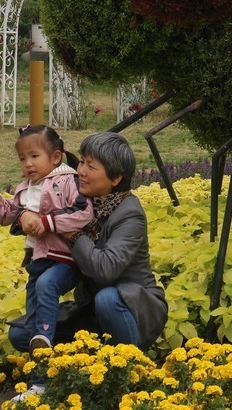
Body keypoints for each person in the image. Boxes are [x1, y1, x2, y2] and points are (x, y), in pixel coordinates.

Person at [0, 125, 92, 375]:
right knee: (33, 317)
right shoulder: (25, 188)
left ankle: (45, 339)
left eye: (34, 156)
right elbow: (8, 215)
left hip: (65, 259)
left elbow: (83, 212)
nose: (28, 164)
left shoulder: (67, 181)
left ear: (55, 157)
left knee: (47, 286)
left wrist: (47, 222)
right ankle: (41, 379)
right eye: (22, 158)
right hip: (38, 261)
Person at [54, 132, 168, 351]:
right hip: (90, 308)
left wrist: (74, 234)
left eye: (91, 166)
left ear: (115, 178)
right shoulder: (82, 204)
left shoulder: (129, 214)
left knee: (107, 299)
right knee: (24, 332)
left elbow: (106, 268)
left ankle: (128, 362)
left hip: (132, 307)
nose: (81, 171)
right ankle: (89, 358)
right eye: (82, 162)